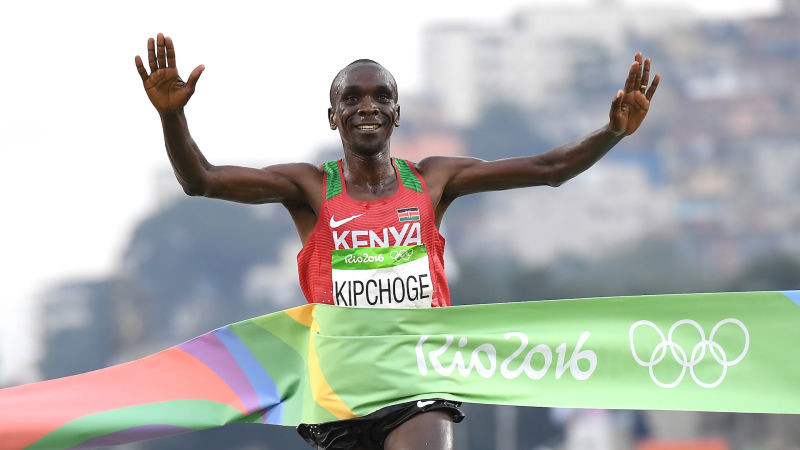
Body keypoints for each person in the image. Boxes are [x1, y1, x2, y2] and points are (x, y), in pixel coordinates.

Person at [134, 33, 660, 450]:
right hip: (340, 387)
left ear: (397, 114)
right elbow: (201, 179)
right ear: (333, 116)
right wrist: (172, 116)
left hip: (418, 374)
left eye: (381, 96)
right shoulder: (310, 188)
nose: (368, 106)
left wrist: (612, 131)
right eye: (352, 98)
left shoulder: (432, 180)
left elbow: (549, 168)